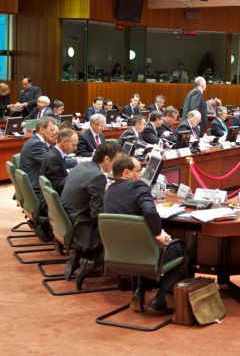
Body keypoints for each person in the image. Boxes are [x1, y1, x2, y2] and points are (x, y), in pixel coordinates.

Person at [103, 156, 186, 315]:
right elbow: (149, 211)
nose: (141, 174)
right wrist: (158, 234)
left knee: (140, 245)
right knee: (182, 249)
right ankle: (159, 300)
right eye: (138, 171)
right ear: (126, 173)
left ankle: (139, 292)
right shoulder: (138, 186)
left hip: (117, 254)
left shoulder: (109, 191)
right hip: (143, 254)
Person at [60, 141, 121, 288]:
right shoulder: (97, 176)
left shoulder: (83, 166)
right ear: (107, 159)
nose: (118, 165)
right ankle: (91, 262)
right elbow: (96, 214)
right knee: (121, 229)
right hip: (81, 227)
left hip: (68, 219)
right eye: (116, 161)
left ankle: (79, 258)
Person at [19, 117, 58, 212]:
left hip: (37, 184)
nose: (54, 133)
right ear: (42, 129)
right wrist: (77, 161)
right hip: (37, 190)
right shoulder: (36, 144)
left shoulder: (39, 141)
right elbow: (53, 162)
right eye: (52, 130)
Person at [40, 128, 78, 195]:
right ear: (63, 142)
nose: (75, 148)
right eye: (73, 145)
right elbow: (57, 186)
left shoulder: (55, 153)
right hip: (57, 197)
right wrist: (75, 174)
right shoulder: (53, 158)